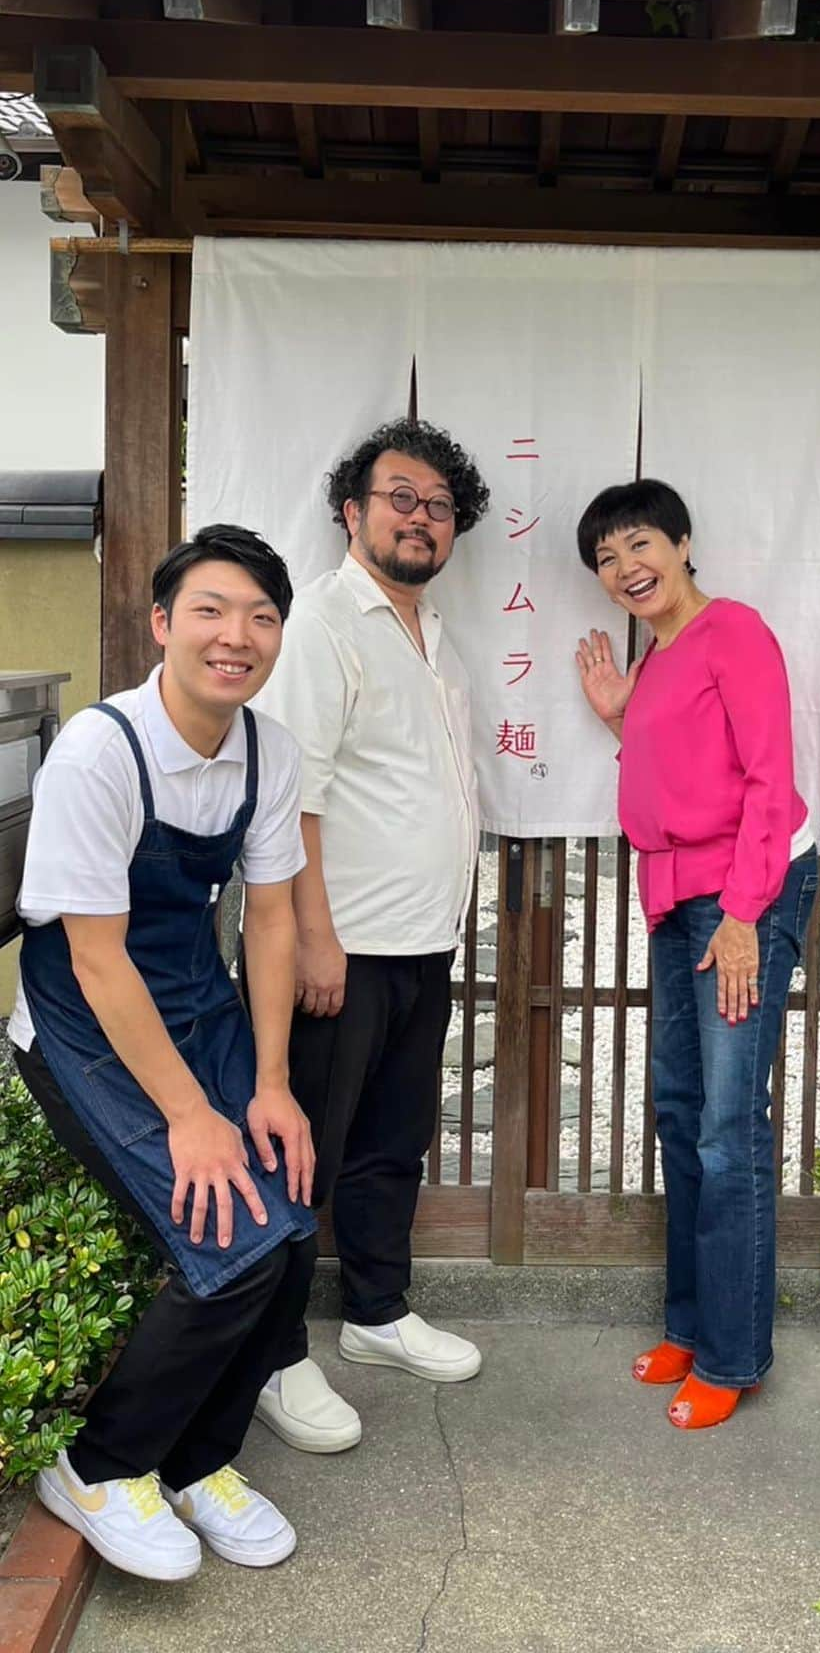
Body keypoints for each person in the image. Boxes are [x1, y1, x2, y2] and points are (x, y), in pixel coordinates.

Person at [9, 524, 317, 1581]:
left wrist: (270, 1086)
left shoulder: (268, 749)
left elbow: (270, 921)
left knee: (292, 1215)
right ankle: (98, 1467)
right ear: (162, 625)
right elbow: (95, 961)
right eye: (212, 611)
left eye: (262, 617)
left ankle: (196, 1461)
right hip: (86, 1026)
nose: (238, 637)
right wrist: (192, 1117)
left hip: (198, 1002)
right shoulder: (103, 750)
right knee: (230, 1239)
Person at [254, 418, 489, 1455]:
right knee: (303, 1150)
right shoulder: (323, 621)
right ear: (351, 511)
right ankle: (269, 1354)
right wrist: (313, 937)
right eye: (399, 496)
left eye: (437, 505)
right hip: (339, 948)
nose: (419, 517)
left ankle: (378, 1315)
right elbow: (292, 792)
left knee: (392, 1143)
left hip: (418, 942)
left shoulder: (434, 633)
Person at [575, 480, 818, 1432]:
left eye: (639, 544)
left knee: (727, 1126)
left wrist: (747, 913)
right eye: (605, 559)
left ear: (682, 542)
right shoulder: (662, 656)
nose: (625, 568)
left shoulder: (735, 633)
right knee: (679, 1111)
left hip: (741, 896)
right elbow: (681, 769)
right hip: (678, 897)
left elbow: (769, 779)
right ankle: (690, 1322)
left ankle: (734, 1353)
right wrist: (617, 720)